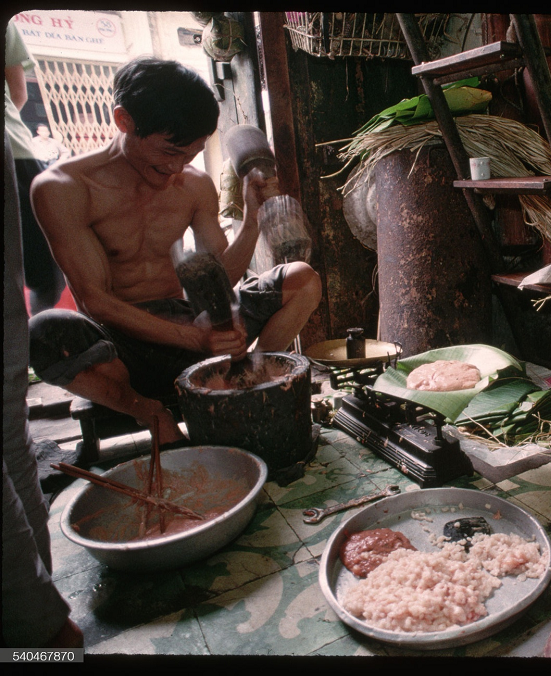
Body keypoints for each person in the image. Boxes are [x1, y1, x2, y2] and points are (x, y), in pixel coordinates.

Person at [27, 58, 322, 448]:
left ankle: (250, 380)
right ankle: (147, 411)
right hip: (123, 349)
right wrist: (192, 339)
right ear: (124, 120)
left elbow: (221, 281)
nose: (177, 166)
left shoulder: (194, 186)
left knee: (302, 279)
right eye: (169, 151)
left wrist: (252, 221)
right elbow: (95, 300)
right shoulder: (63, 187)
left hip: (191, 323)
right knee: (43, 332)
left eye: (192, 153)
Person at [4, 129, 84, 648]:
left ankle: (41, 632)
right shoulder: (68, 184)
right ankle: (43, 627)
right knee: (11, 431)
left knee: (10, 433)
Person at [5, 21, 66, 314]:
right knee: (47, 271)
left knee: (47, 270)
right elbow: (18, 92)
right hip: (13, 153)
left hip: (14, 153)